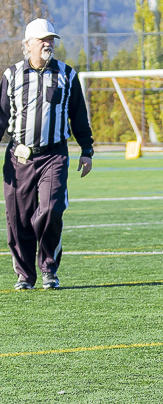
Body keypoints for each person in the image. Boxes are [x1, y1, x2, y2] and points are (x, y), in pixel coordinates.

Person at [0, 18, 94, 291]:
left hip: (54, 155)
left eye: (51, 39)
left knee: (51, 210)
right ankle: (25, 276)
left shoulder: (67, 75)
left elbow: (79, 117)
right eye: (42, 40)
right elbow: (1, 116)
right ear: (27, 45)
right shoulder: (12, 75)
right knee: (18, 219)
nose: (48, 44)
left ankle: (49, 269)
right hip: (18, 157)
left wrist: (86, 150)